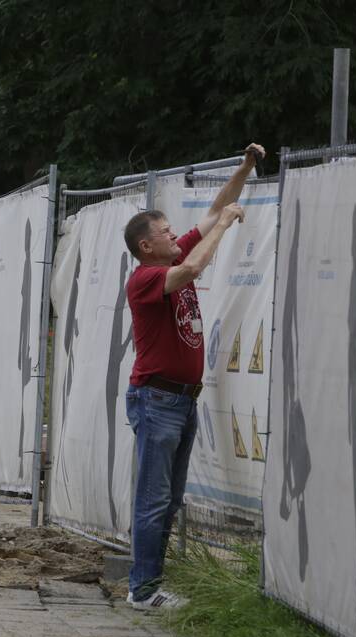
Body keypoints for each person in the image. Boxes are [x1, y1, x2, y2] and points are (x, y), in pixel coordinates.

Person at [122, 143, 264, 609]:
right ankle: (141, 590)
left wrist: (243, 169)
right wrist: (223, 227)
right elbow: (197, 264)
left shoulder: (167, 256)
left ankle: (152, 582)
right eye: (166, 233)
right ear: (148, 245)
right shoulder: (146, 278)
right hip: (157, 401)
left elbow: (214, 210)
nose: (174, 235)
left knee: (169, 500)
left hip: (181, 402)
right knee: (153, 500)